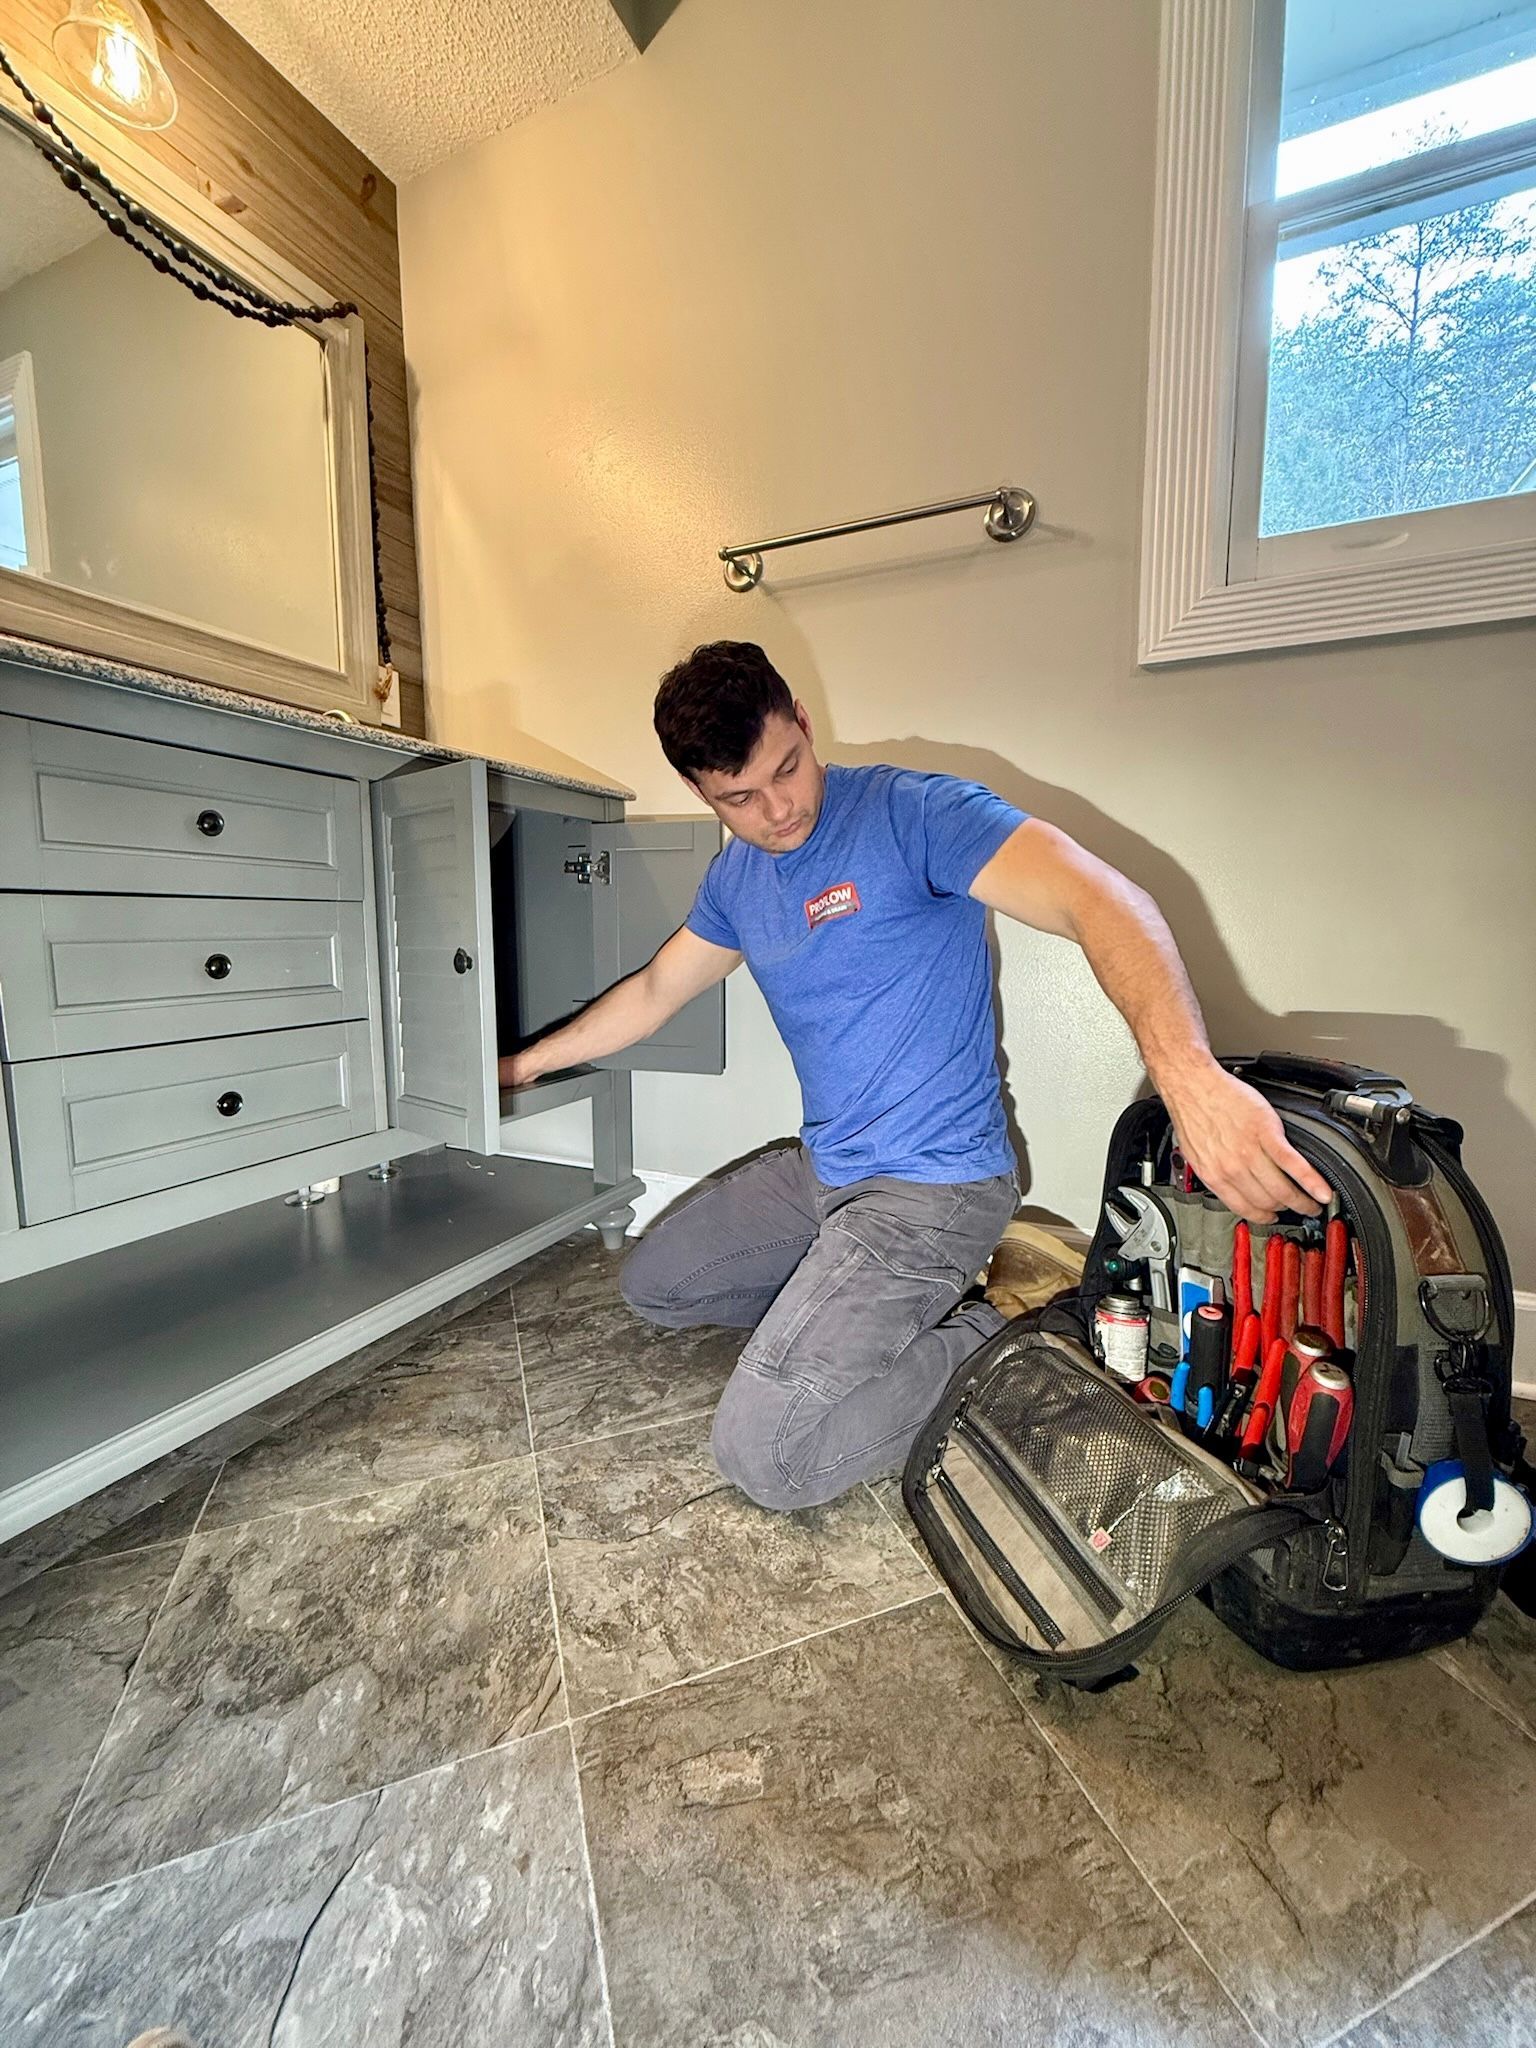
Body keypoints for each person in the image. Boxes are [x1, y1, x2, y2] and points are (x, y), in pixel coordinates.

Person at [498, 641, 1330, 1511]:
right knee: (654, 1285)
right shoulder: (736, 880)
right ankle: (852, 1313)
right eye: (740, 797)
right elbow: (655, 991)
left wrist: (1188, 1075)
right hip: (827, 1171)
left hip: (937, 1188)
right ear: (702, 793)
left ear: (805, 725)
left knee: (769, 1458)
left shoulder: (913, 814)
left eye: (789, 766)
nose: (778, 808)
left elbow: (1100, 898)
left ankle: (1003, 1323)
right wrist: (521, 1065)